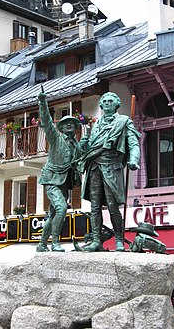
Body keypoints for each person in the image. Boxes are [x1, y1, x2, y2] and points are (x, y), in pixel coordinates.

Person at [80, 92, 141, 252]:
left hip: (111, 167)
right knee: (94, 207)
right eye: (104, 101)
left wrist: (134, 159)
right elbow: (91, 149)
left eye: (110, 101)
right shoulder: (96, 125)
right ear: (101, 105)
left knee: (113, 206)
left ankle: (119, 240)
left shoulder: (124, 121)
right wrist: (85, 145)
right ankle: (96, 240)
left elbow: (134, 143)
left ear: (116, 104)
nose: (107, 103)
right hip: (94, 167)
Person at [36, 91, 83, 252]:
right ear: (61, 128)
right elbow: (47, 122)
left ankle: (42, 244)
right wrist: (43, 103)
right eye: (66, 123)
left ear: (76, 128)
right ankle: (55, 242)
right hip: (52, 179)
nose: (69, 125)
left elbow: (81, 160)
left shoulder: (76, 145)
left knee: (54, 213)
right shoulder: (56, 138)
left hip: (65, 183)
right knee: (62, 208)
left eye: (73, 124)